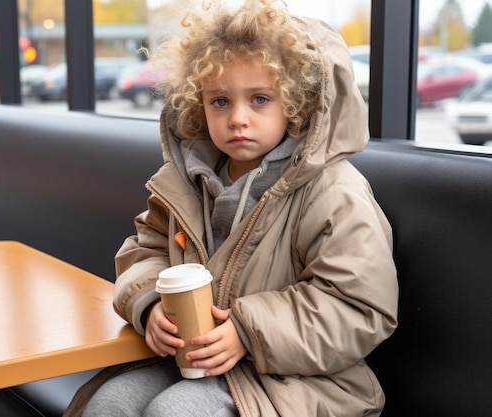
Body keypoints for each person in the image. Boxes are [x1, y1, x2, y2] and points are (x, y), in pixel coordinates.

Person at [64, 0, 398, 416]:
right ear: (197, 103)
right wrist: (149, 303)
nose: (238, 118)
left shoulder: (334, 192)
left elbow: (358, 308)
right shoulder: (187, 181)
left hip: (301, 379)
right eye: (220, 101)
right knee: (108, 405)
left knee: (175, 413)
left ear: (297, 101)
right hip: (195, 359)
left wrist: (247, 330)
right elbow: (146, 250)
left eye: (259, 99)